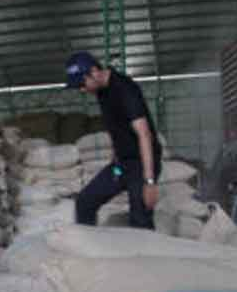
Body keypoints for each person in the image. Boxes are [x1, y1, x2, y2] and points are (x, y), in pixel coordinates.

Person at [64, 51, 163, 229]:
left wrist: (149, 182)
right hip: (121, 165)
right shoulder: (101, 92)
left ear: (94, 72)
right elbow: (116, 129)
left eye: (82, 83)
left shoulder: (125, 89)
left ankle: (147, 254)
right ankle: (87, 250)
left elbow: (144, 134)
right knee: (84, 202)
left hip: (141, 165)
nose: (81, 89)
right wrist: (115, 161)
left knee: (140, 219)